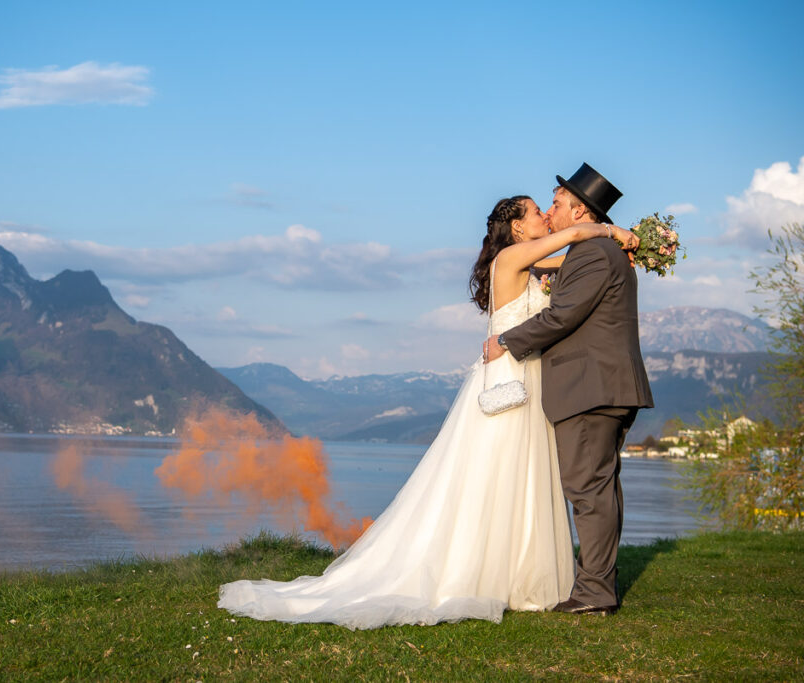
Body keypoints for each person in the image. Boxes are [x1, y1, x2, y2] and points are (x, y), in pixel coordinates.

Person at [217, 192, 639, 629]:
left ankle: (522, 573)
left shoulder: (530, 260)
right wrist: (613, 231)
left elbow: (571, 260)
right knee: (495, 475)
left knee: (521, 476)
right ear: (516, 227)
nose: (545, 216)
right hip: (510, 378)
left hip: (528, 379)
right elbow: (573, 236)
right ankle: (484, 571)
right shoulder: (513, 258)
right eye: (536, 212)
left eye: (547, 208)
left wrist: (618, 251)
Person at [484, 163, 654, 616]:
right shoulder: (592, 252)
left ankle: (595, 593)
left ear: (580, 211)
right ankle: (597, 583)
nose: (551, 209)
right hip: (602, 387)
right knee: (599, 490)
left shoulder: (593, 255)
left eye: (556, 204)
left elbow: (564, 316)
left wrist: (506, 341)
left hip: (591, 388)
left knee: (589, 492)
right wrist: (618, 234)